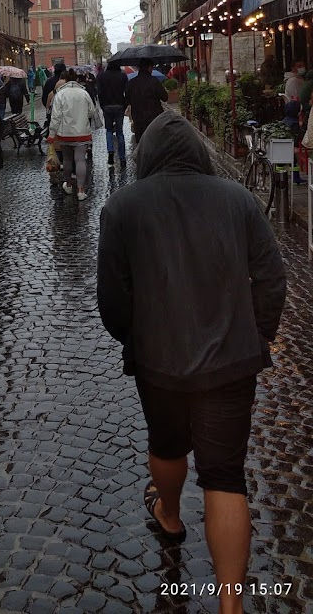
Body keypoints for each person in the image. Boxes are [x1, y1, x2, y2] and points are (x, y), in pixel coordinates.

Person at [97, 113, 286, 614]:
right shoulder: (239, 200)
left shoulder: (122, 207)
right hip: (231, 361)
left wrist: (137, 339)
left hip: (160, 360)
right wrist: (259, 334)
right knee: (225, 476)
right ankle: (231, 605)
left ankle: (171, 514)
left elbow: (112, 299)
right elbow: (270, 277)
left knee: (167, 443)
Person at [48, 72, 94, 200]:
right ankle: (80, 190)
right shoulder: (84, 93)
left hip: (65, 133)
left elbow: (55, 116)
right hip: (82, 133)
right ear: (77, 80)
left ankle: (68, 185)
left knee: (67, 160)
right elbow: (92, 111)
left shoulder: (60, 94)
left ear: (66, 80)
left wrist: (52, 133)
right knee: (80, 160)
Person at [125, 61, 168, 142]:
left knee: (141, 142)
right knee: (154, 142)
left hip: (138, 118)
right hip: (154, 117)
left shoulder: (132, 83)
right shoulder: (154, 81)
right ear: (149, 67)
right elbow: (165, 97)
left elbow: (127, 100)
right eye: (152, 67)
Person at [97, 60, 128, 168]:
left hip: (107, 106)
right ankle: (122, 158)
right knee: (120, 132)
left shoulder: (102, 76)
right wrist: (125, 104)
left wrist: (102, 105)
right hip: (119, 105)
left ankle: (110, 151)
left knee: (109, 130)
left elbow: (99, 92)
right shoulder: (122, 76)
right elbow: (126, 91)